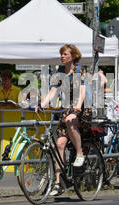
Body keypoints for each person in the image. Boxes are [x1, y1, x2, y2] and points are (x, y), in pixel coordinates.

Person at [38, 44, 92, 196]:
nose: (62, 56)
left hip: (82, 108)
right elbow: (53, 91)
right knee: (59, 144)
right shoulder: (60, 71)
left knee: (69, 120)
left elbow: (82, 91)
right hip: (67, 108)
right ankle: (58, 182)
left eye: (65, 54)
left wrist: (78, 106)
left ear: (73, 56)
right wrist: (41, 105)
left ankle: (80, 153)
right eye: (61, 54)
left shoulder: (80, 70)